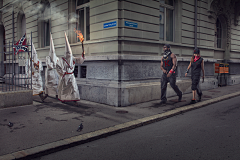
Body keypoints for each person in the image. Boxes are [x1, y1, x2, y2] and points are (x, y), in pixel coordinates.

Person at [56, 32, 85, 105]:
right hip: (65, 76)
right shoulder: (62, 60)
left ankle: (75, 100)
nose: (69, 55)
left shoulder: (73, 58)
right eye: (68, 54)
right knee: (65, 89)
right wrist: (63, 73)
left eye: (70, 53)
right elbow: (58, 67)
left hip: (71, 76)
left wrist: (83, 55)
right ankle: (64, 99)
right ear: (66, 54)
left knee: (74, 88)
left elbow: (79, 60)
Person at [26, 36, 44, 101]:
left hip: (38, 75)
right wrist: (29, 74)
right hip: (32, 75)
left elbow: (41, 68)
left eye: (35, 54)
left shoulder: (39, 61)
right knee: (32, 87)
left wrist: (38, 66)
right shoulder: (29, 61)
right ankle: (29, 98)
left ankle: (42, 97)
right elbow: (27, 68)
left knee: (40, 85)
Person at [42, 33, 59, 101]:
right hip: (49, 75)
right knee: (48, 87)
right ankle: (45, 96)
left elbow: (58, 65)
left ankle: (57, 96)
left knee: (57, 86)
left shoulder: (56, 58)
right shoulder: (47, 58)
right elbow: (50, 65)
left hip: (56, 74)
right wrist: (53, 64)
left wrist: (54, 65)